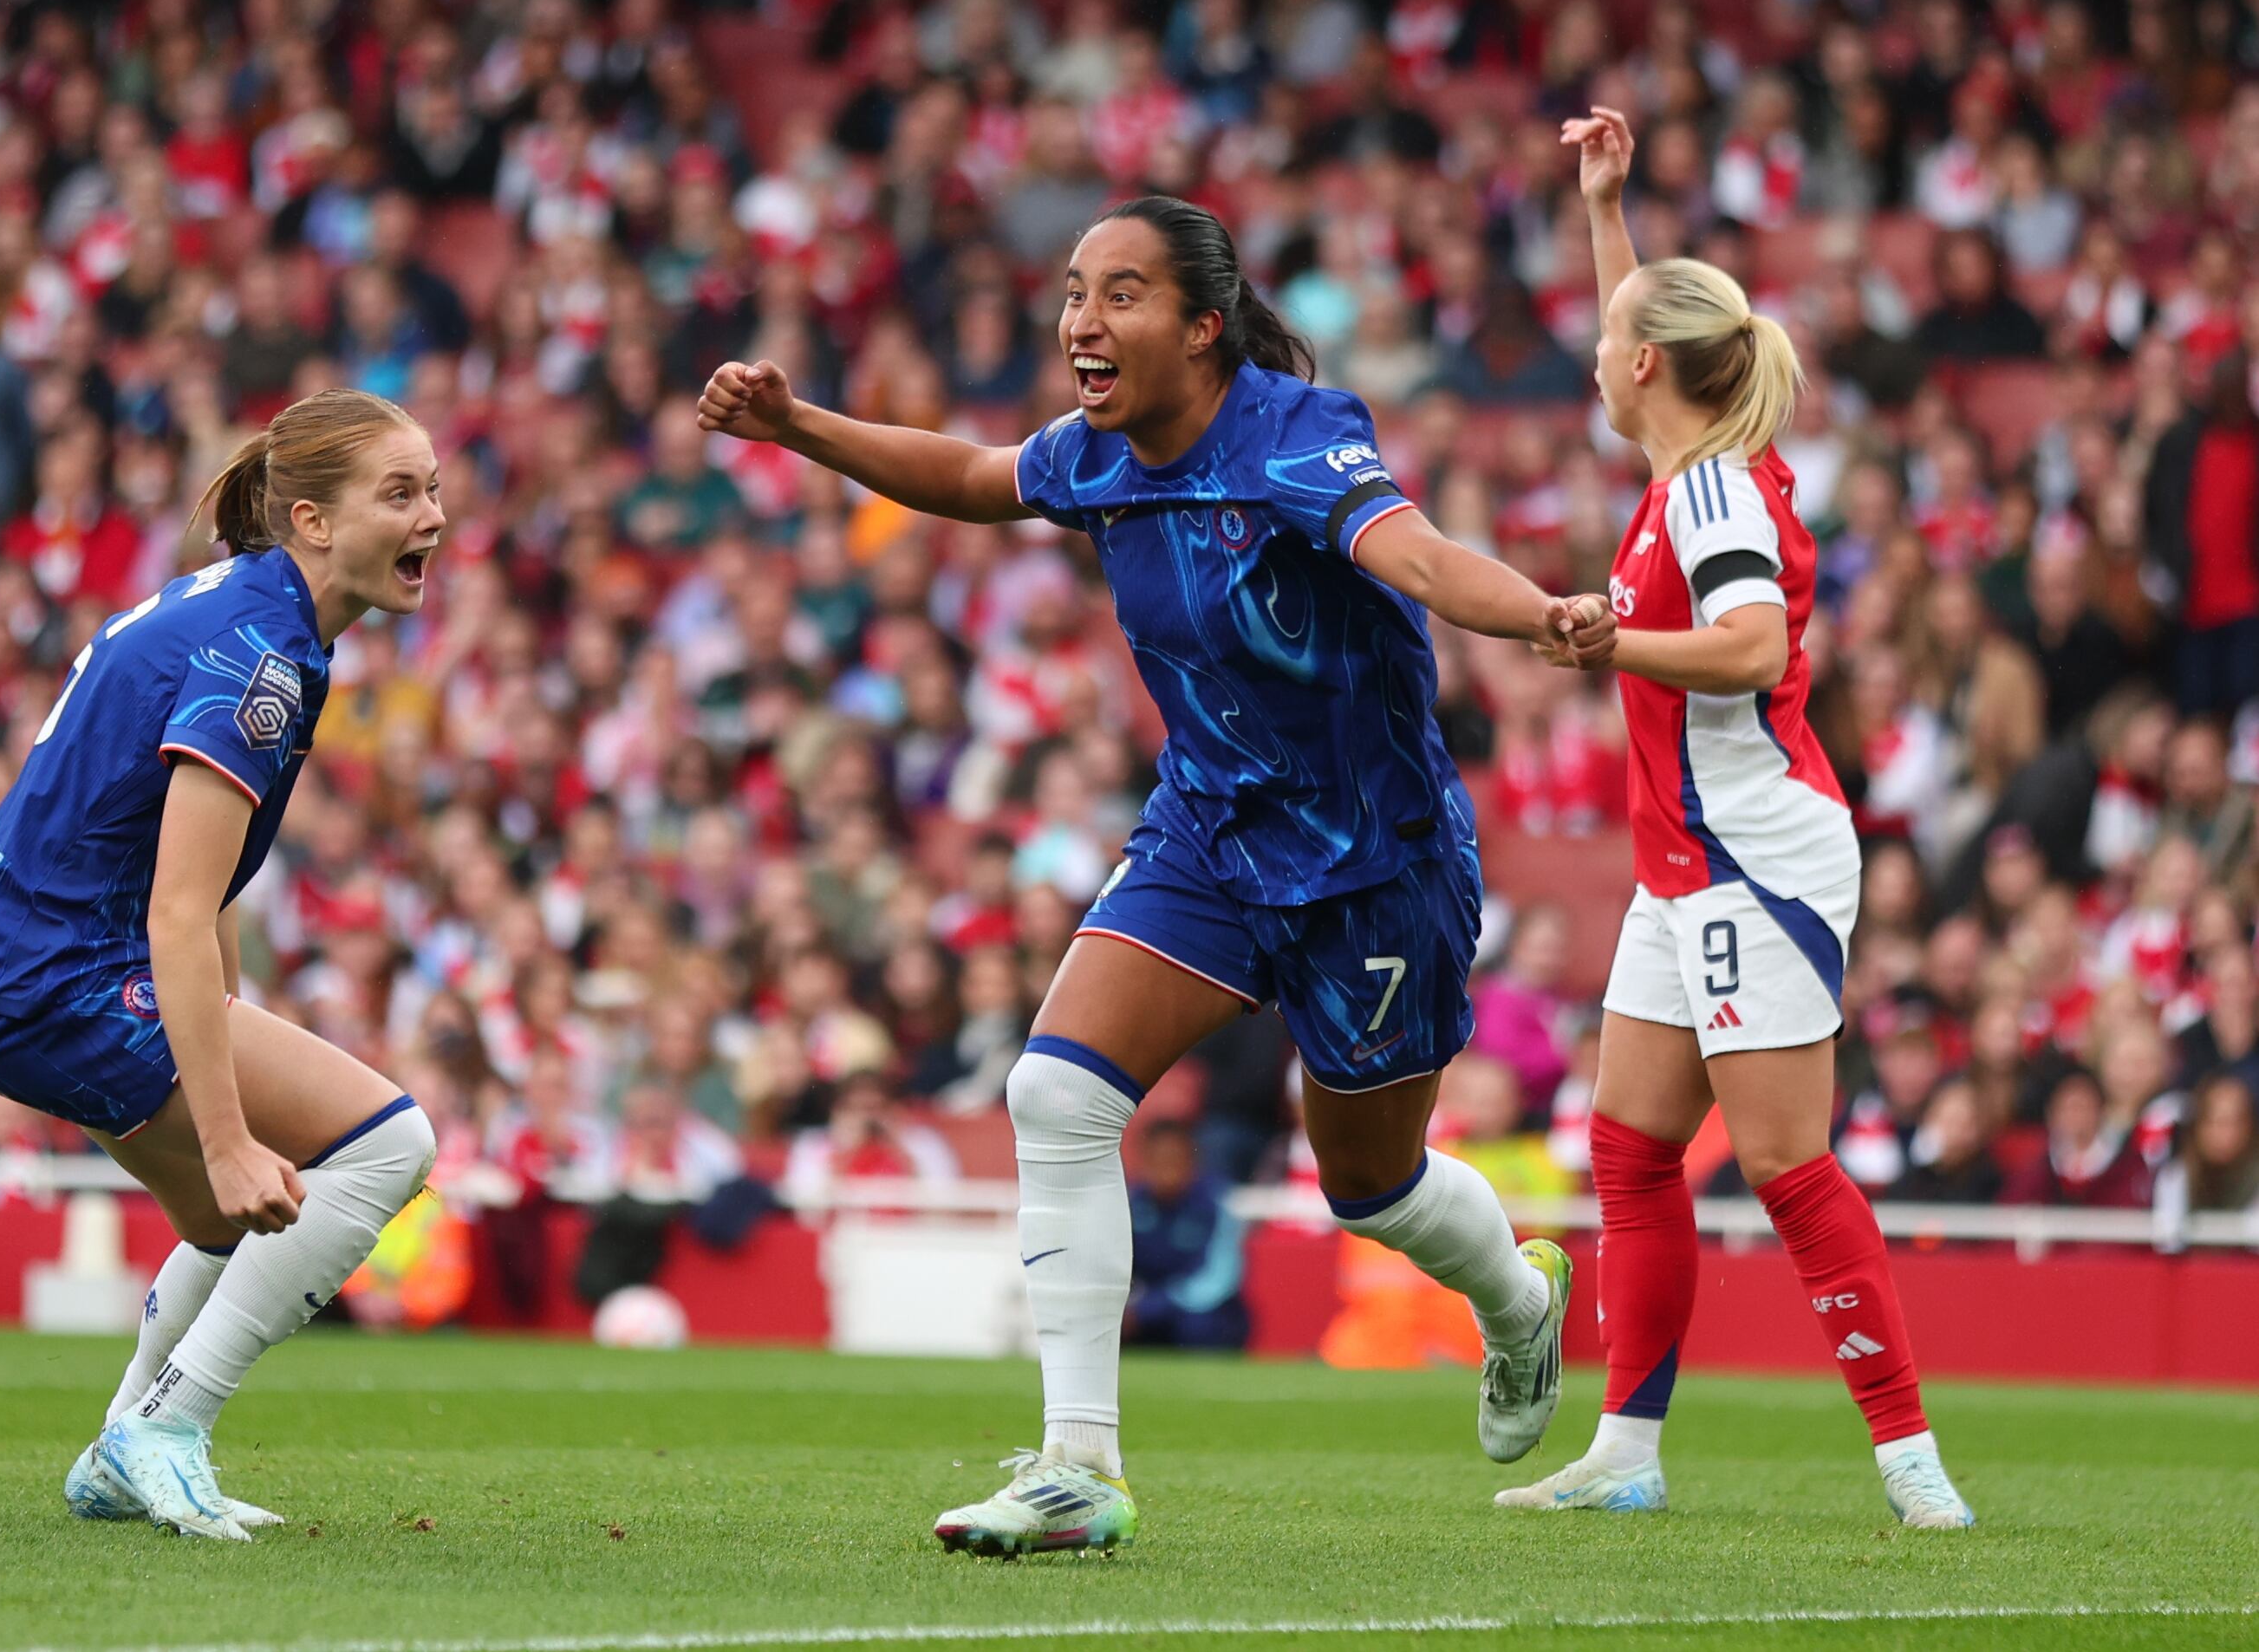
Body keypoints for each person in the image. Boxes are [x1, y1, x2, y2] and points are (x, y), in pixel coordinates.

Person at [699, 193, 1613, 1557]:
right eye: (1074, 289)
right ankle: (1078, 1466)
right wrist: (796, 426)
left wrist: (1534, 611)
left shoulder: (1298, 440)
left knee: (1369, 1187)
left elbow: (1410, 555)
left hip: (1374, 864)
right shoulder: (1094, 455)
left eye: (1119, 293)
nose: (1081, 318)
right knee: (1054, 1091)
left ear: (1201, 327)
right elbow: (964, 474)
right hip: (1206, 835)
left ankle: (1518, 1305)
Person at [1498, 110, 1974, 1531]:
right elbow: (1641, 328)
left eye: (1609, 335)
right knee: (1631, 1149)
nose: (1593, 347)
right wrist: (1605, 209)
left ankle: (1908, 1464)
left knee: (1782, 1163)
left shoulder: (1705, 492)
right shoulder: (1687, 461)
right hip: (1682, 861)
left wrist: (1607, 651)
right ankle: (1627, 1452)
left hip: (1750, 856)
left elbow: (1756, 649)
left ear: (1645, 367)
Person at [0, 388, 446, 1540]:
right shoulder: (260, 654)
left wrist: (220, 1056)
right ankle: (165, 1426)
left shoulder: (250, 610)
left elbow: (188, 881)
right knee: (390, 1142)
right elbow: (175, 902)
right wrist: (224, 1128)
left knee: (221, 1224)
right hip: (50, 968)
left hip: (5, 952)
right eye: (399, 493)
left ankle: (123, 1451)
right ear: (309, 519)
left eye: (436, 490)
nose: (433, 519)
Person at [1124, 1120, 1249, 1352]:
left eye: (1174, 1159)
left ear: (1192, 1161)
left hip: (1199, 1312)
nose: (1167, 1169)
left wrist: (1152, 1307)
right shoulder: (1128, 1204)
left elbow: (1218, 1279)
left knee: (1200, 1327)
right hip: (1143, 1310)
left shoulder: (1217, 1203)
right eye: (1158, 1160)